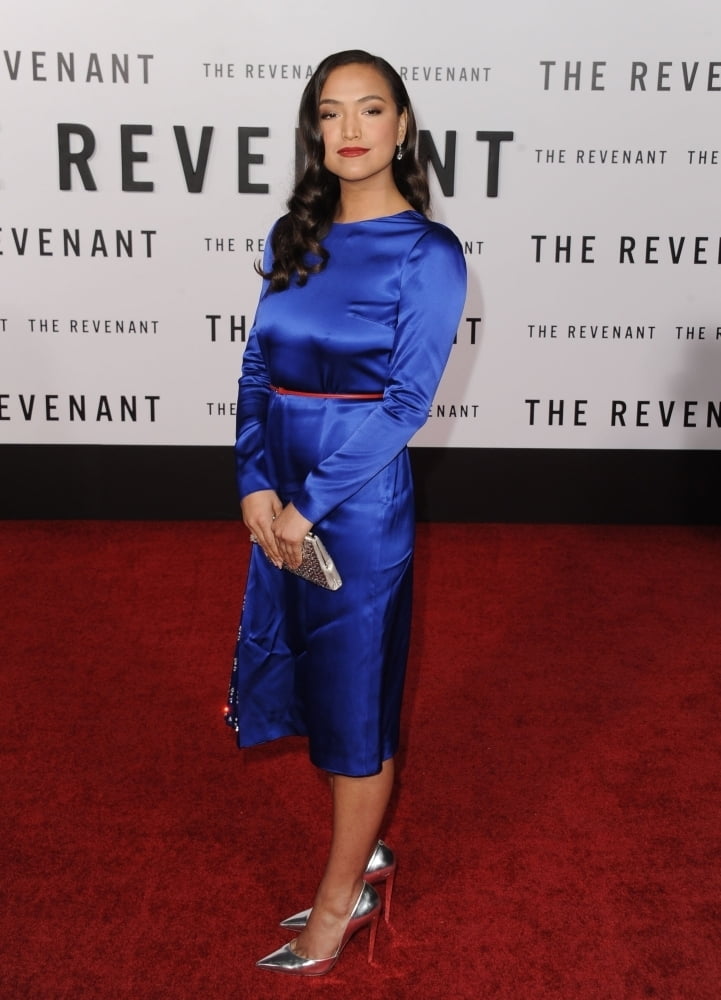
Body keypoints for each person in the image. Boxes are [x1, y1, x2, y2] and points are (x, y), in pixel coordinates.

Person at [224, 49, 467, 976]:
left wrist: (309, 505)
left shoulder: (428, 254)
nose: (351, 129)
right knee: (312, 679)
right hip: (280, 487)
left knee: (355, 700)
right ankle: (361, 857)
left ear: (401, 127)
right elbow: (257, 366)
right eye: (331, 112)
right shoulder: (294, 234)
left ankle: (340, 903)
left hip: (355, 505)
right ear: (314, 131)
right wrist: (254, 480)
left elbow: (404, 407)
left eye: (371, 109)